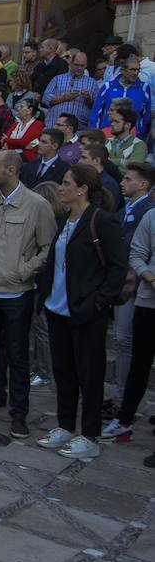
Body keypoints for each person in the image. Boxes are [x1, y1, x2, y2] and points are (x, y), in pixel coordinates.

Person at [0, 150, 57, 437]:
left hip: (16, 292)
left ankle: (19, 413)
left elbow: (47, 247)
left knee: (17, 356)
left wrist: (25, 270)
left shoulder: (36, 205)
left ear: (12, 170)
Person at [36, 164, 125, 458]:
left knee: (90, 372)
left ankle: (89, 434)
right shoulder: (64, 220)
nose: (60, 188)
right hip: (57, 308)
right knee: (63, 371)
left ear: (82, 189)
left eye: (65, 183)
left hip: (86, 311)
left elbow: (117, 268)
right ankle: (64, 424)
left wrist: (98, 302)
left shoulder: (102, 221)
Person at [101, 162, 155, 436]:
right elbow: (133, 249)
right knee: (128, 346)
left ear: (143, 184)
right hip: (136, 289)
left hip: (139, 289)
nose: (122, 182)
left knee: (127, 344)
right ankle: (124, 408)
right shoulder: (139, 212)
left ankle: (126, 405)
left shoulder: (145, 210)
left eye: (129, 179)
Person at [107, 206, 155, 454]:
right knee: (140, 364)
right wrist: (150, 277)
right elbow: (137, 253)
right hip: (149, 301)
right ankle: (124, 421)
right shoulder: (151, 217)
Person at [28, 180, 67, 389]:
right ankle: (38, 368)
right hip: (42, 283)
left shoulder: (56, 224)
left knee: (42, 330)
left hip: (47, 284)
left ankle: (44, 372)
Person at [91, 57, 152, 139]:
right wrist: (96, 135)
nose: (136, 73)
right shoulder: (108, 87)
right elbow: (96, 113)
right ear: (122, 70)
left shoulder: (144, 88)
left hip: (132, 136)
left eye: (138, 70)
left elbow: (146, 116)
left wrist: (140, 134)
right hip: (108, 134)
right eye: (132, 70)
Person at [42, 52, 97, 130]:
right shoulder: (58, 79)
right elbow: (45, 99)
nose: (79, 68)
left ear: (86, 65)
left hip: (78, 129)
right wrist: (63, 97)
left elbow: (96, 108)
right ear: (71, 63)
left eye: (82, 66)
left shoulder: (92, 83)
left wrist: (88, 99)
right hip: (53, 126)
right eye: (76, 65)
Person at [79, 142, 123, 212]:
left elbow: (102, 212)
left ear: (97, 161)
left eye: (84, 158)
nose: (79, 161)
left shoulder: (108, 184)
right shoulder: (84, 178)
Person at [106, 107, 147, 175]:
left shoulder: (139, 145)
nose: (112, 124)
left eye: (116, 122)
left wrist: (108, 162)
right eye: (112, 121)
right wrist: (121, 161)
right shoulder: (107, 141)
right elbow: (99, 163)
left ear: (127, 125)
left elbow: (133, 170)